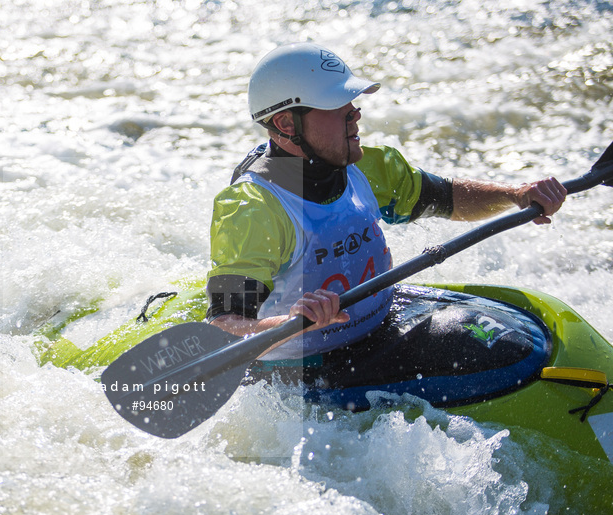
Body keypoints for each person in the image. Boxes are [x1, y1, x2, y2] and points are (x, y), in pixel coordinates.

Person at [206, 42, 567, 364]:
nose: (355, 113)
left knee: (519, 346)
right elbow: (225, 327)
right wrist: (291, 323)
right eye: (337, 105)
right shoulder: (253, 209)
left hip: (383, 322)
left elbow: (450, 199)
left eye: (351, 101)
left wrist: (515, 195)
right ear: (286, 124)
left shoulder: (368, 166)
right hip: (305, 366)